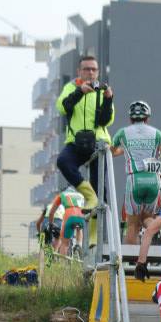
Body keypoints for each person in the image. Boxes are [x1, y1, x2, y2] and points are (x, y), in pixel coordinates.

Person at [56, 55, 115, 246]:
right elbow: (63, 107)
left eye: (93, 69)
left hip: (97, 143)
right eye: (86, 69)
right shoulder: (71, 87)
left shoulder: (101, 90)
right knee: (63, 161)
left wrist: (108, 99)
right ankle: (88, 196)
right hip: (76, 141)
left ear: (98, 72)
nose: (90, 72)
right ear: (79, 71)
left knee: (101, 192)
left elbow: (106, 120)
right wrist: (80, 92)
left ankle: (94, 237)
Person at [111, 100, 161, 244]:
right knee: (146, 218)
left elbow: (112, 151)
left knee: (132, 225)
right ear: (147, 118)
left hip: (134, 179)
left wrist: (125, 149)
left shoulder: (122, 133)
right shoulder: (158, 133)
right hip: (153, 179)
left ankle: (132, 263)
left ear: (130, 118)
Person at [47, 188, 85, 257]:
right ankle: (79, 244)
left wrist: (50, 224)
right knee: (79, 228)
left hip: (69, 216)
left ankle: (62, 264)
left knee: (64, 243)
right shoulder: (81, 195)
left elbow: (51, 213)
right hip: (81, 216)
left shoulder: (61, 195)